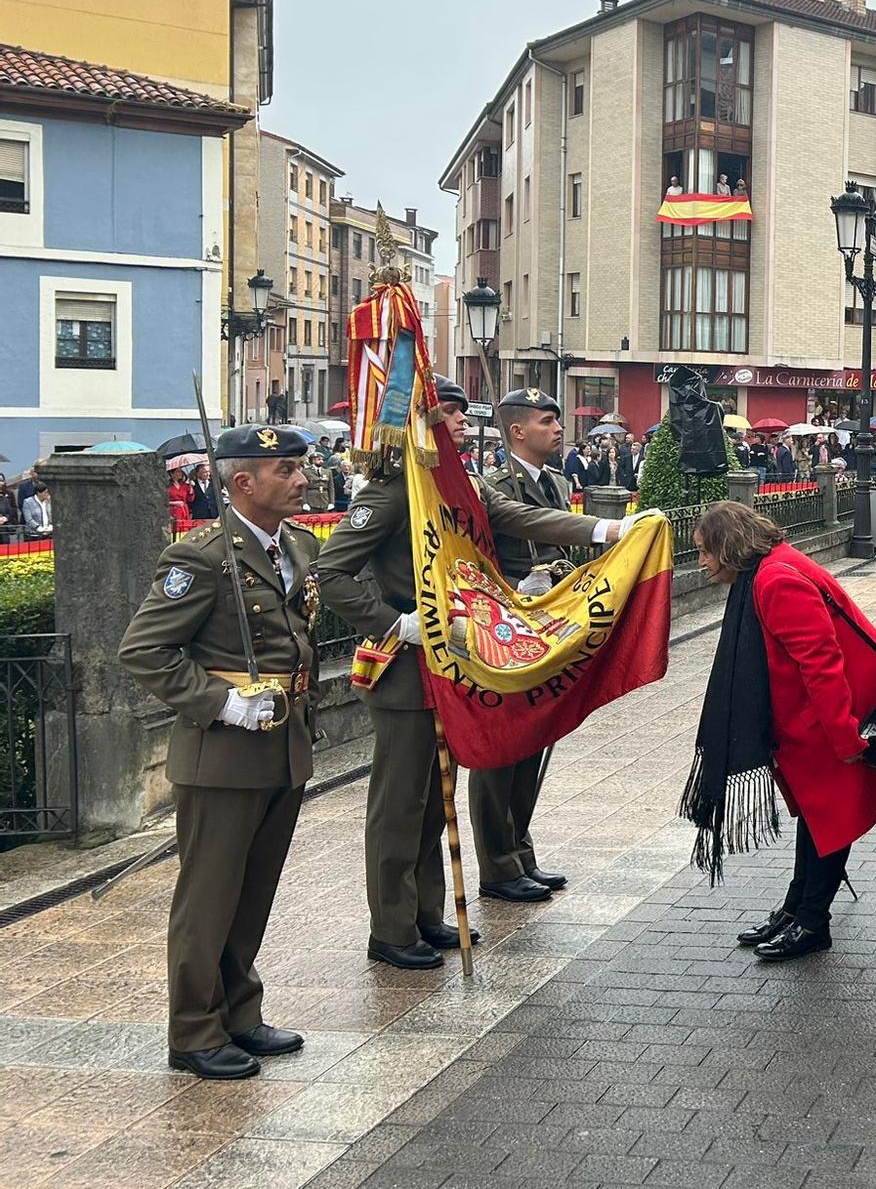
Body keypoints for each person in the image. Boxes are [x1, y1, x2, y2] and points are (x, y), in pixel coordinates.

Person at [317, 380, 635, 965]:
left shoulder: (458, 487)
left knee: (437, 799)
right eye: (447, 419)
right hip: (408, 669)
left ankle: (425, 914)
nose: (460, 427)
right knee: (399, 807)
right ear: (419, 432)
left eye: (460, 419)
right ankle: (390, 929)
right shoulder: (391, 496)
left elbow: (521, 516)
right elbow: (330, 573)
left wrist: (607, 531)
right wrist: (395, 622)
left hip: (455, 662)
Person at [117, 424, 319, 1079]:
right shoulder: (202, 556)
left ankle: (240, 1013)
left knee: (253, 893)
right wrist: (220, 703)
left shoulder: (295, 544)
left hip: (283, 743)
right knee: (208, 899)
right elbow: (144, 650)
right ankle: (194, 1032)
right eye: (287, 470)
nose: (302, 479)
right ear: (243, 483)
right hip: (223, 753)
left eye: (300, 468)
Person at [680, 502, 876, 961]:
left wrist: (846, 739)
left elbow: (821, 662)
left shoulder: (775, 580)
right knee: (821, 819)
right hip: (815, 719)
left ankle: (812, 921)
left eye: (703, 551)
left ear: (727, 545)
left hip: (834, 718)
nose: (700, 562)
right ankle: (797, 909)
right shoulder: (769, 569)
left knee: (830, 821)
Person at [471, 388, 631, 903]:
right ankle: (497, 865)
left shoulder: (557, 483)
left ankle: (520, 852)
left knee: (534, 744)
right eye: (547, 421)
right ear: (517, 431)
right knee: (504, 749)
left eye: (558, 420)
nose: (558, 429)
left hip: (551, 629)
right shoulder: (496, 485)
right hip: (509, 631)